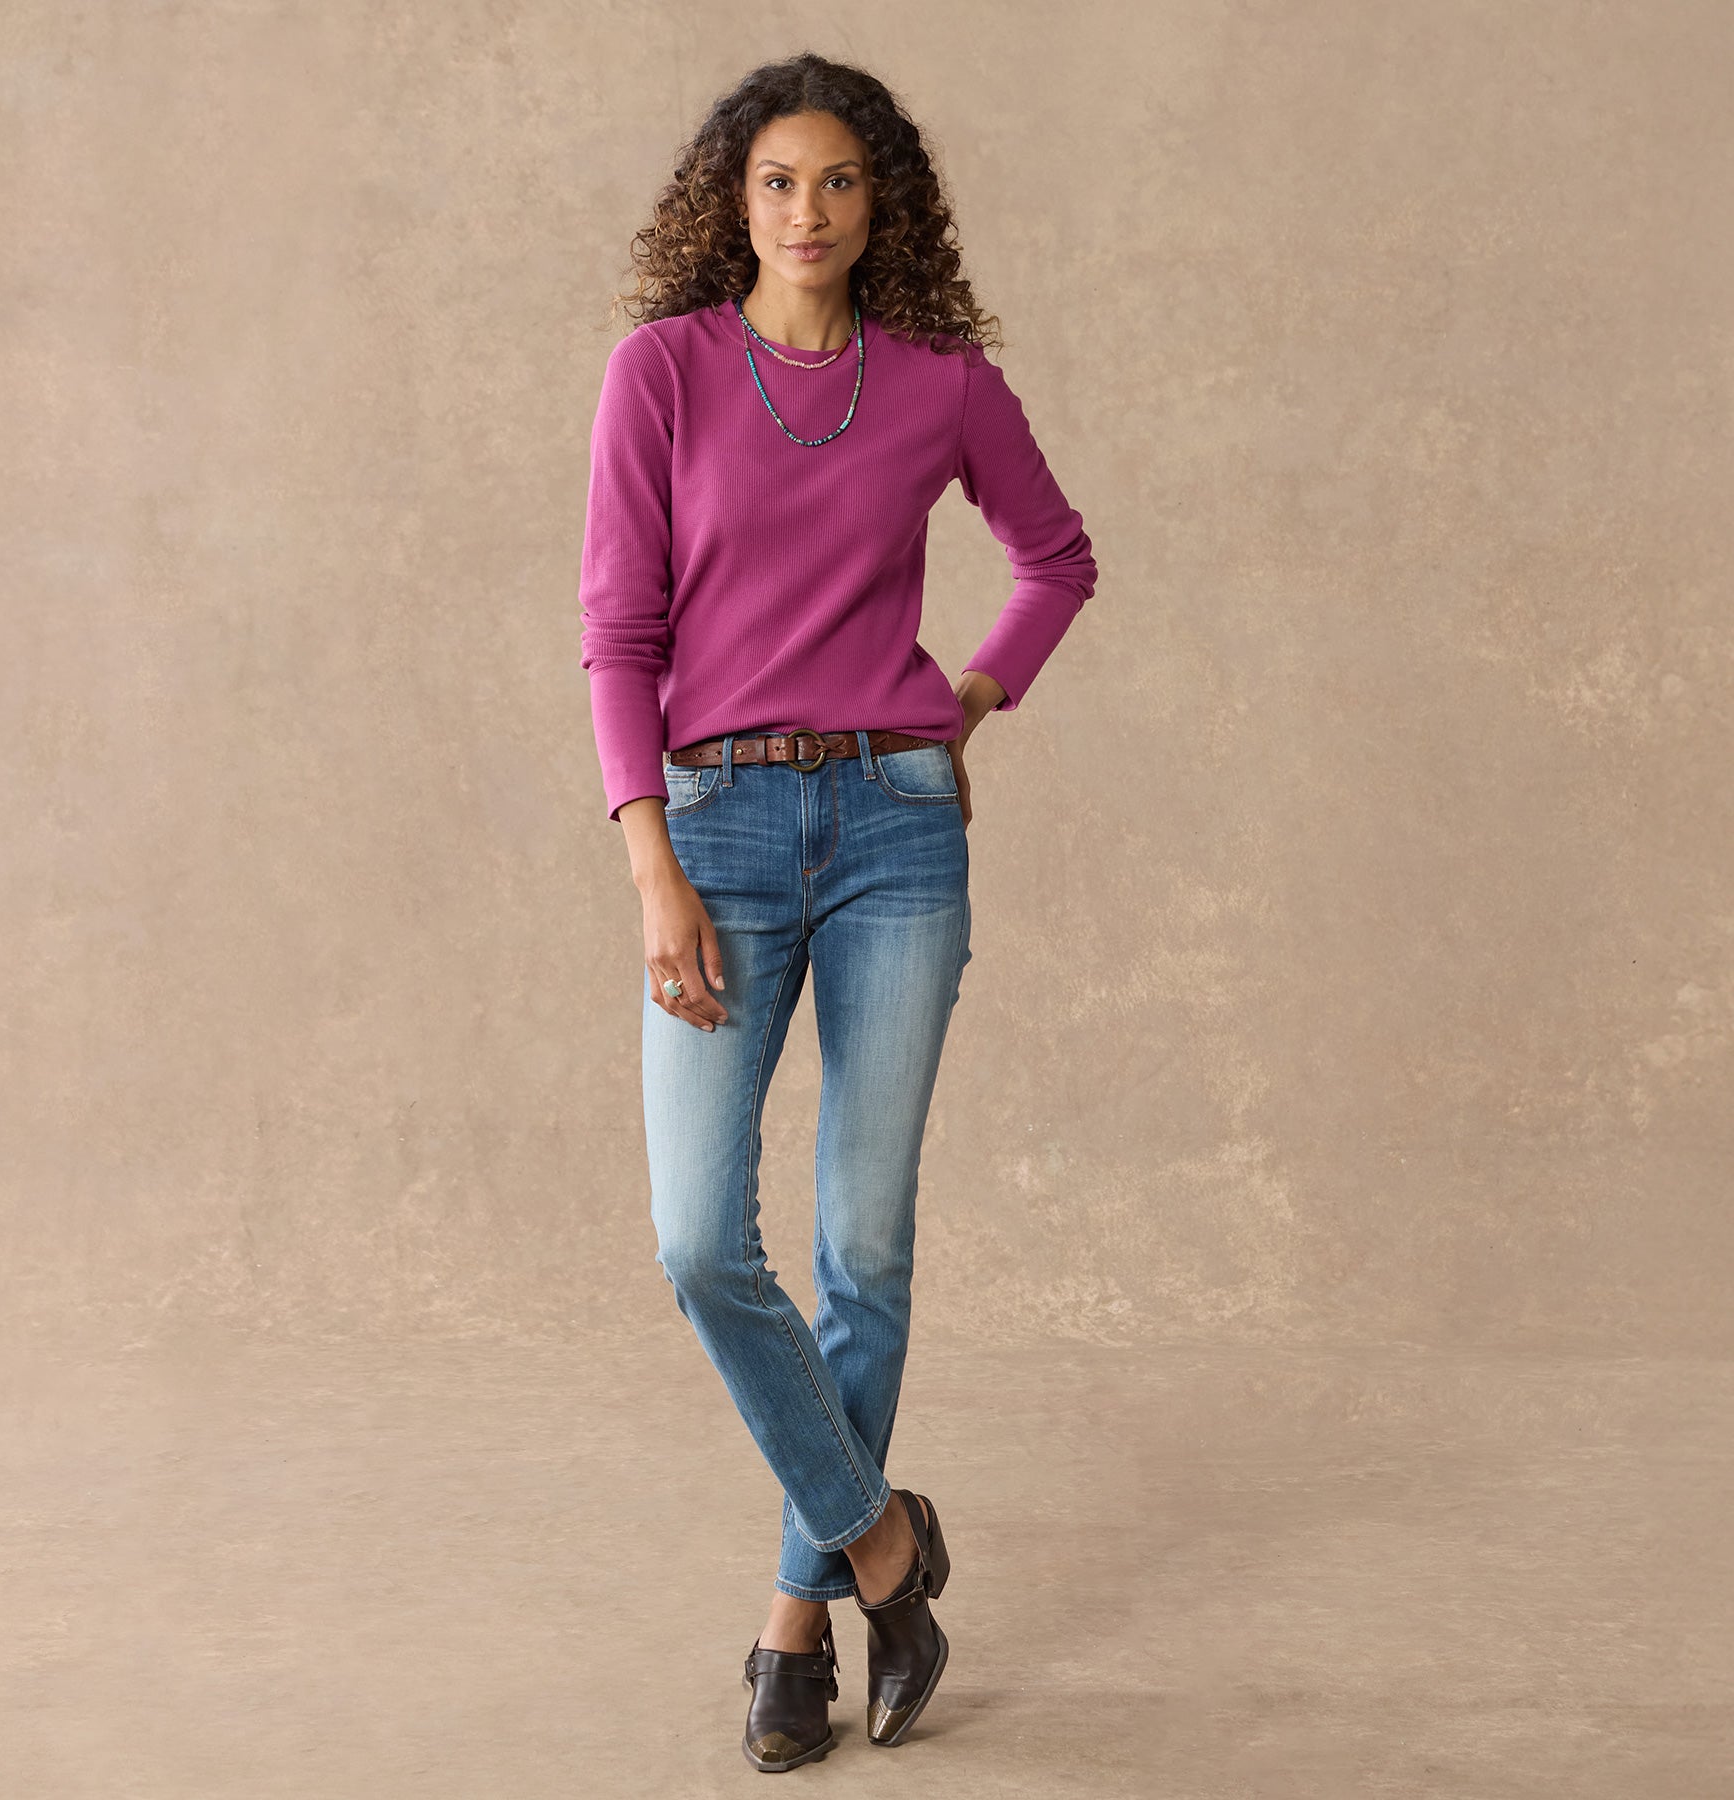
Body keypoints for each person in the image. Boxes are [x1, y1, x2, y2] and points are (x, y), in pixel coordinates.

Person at [577, 52, 1097, 1773]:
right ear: (734, 200)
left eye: (841, 182)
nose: (808, 211)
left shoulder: (941, 386)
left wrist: (970, 702)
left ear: (886, 207)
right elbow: (620, 636)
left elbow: (1056, 558)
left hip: (894, 830)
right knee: (697, 1241)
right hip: (714, 830)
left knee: (863, 1247)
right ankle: (885, 1545)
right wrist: (650, 861)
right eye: (779, 181)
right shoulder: (662, 373)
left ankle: (795, 1627)